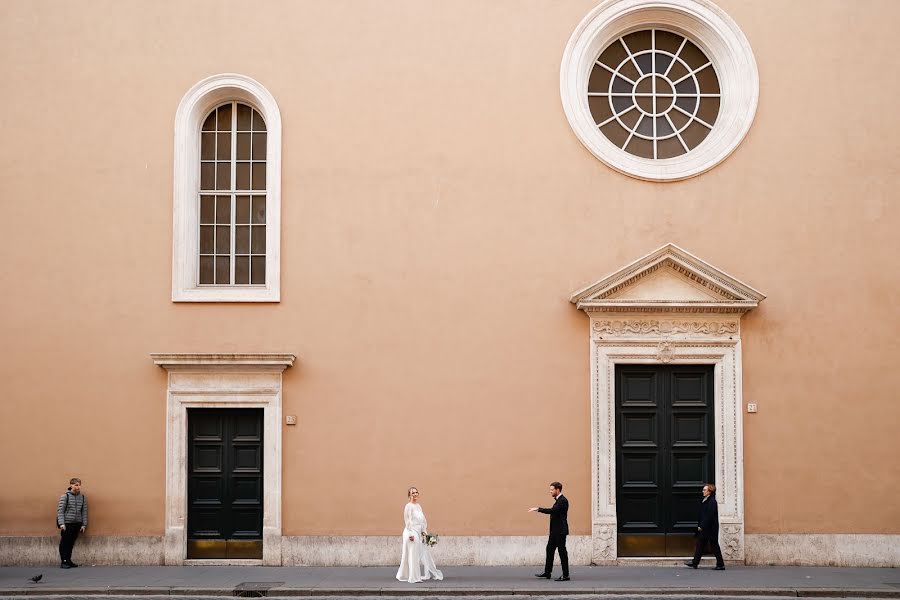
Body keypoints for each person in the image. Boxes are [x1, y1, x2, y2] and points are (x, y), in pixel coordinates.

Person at [396, 486, 443, 583]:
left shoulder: (418, 506)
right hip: (411, 532)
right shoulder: (408, 506)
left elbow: (422, 522)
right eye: (413, 493)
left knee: (417, 553)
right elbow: (407, 521)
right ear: (409, 495)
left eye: (416, 492)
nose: (415, 494)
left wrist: (425, 534)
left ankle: (409, 574)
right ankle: (413, 577)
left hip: (418, 532)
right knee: (413, 554)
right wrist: (410, 535)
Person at [529, 481, 569, 581]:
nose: (550, 491)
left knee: (562, 552)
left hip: (560, 532)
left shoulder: (563, 501)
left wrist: (538, 509)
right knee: (550, 550)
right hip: (555, 532)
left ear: (557, 489)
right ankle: (547, 572)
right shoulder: (558, 500)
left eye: (552, 490)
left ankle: (566, 575)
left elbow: (552, 511)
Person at [684, 482, 725, 570]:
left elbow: (709, 516)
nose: (703, 491)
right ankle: (695, 563)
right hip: (707, 528)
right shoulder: (706, 500)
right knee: (700, 544)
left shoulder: (712, 502)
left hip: (710, 528)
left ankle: (720, 564)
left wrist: (702, 526)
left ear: (709, 491)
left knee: (714, 545)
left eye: (704, 490)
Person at [56, 477, 88, 569]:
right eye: (76, 485)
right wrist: (61, 523)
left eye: (79, 485)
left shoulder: (82, 497)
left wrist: (83, 524)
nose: (78, 487)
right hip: (67, 524)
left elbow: (84, 512)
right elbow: (60, 511)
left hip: (77, 523)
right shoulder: (65, 496)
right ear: (71, 485)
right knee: (64, 543)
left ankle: (69, 561)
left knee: (71, 543)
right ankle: (64, 561)